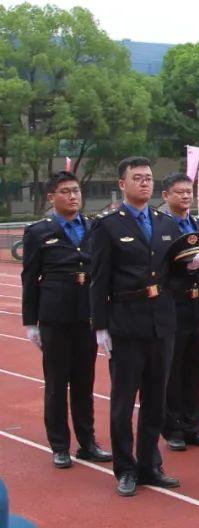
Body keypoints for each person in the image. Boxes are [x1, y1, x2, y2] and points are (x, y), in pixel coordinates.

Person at [90, 157, 179, 496]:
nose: (145, 183)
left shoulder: (164, 222)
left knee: (156, 398)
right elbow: (98, 279)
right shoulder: (108, 225)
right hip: (126, 322)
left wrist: (197, 264)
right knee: (124, 400)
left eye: (148, 178)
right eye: (137, 178)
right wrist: (100, 326)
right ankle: (125, 468)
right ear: (122, 184)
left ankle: (149, 464)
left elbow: (175, 271)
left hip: (162, 321)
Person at [21, 171, 111, 469]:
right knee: (57, 383)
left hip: (85, 313)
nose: (73, 196)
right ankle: (59, 445)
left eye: (76, 191)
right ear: (52, 197)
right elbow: (30, 278)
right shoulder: (38, 232)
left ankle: (88, 442)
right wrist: (30, 322)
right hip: (55, 315)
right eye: (65, 192)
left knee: (85, 382)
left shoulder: (92, 227)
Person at [158, 173, 199, 452]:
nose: (184, 196)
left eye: (188, 192)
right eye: (178, 192)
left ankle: (193, 425)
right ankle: (173, 426)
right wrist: (184, 270)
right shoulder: (162, 226)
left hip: (197, 302)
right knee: (174, 366)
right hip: (174, 301)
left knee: (195, 363)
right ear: (166, 195)